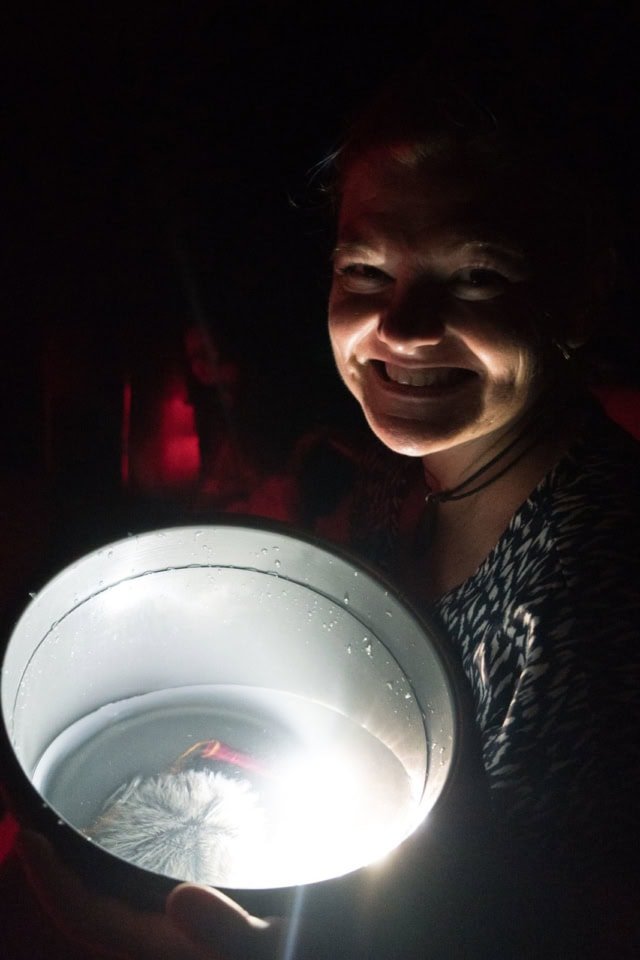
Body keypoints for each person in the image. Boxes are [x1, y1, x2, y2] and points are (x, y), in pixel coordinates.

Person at [6, 58, 640, 959]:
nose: (406, 326)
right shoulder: (399, 475)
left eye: (479, 277)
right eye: (368, 272)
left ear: (580, 294)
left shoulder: (599, 589)